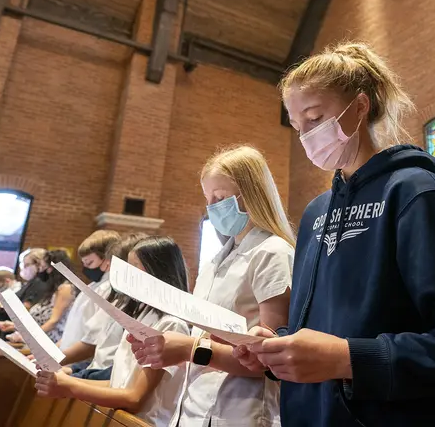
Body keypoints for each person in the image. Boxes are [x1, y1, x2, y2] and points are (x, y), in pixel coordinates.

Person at [237, 42, 435, 427]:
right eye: (297, 126)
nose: (306, 136)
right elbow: (318, 329)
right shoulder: (315, 214)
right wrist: (278, 346)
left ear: (360, 106)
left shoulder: (416, 194)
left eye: (315, 118)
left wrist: (348, 359)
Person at [130, 145, 295, 427]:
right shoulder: (215, 262)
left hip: (240, 411)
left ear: (251, 193)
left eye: (219, 197)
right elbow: (204, 335)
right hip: (193, 407)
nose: (212, 208)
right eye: (208, 199)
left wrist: (189, 348)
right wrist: (164, 345)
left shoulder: (272, 252)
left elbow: (269, 358)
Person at [36, 236, 190, 425]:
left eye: (134, 267)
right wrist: (65, 380)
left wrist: (70, 385)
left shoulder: (171, 325)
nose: (127, 276)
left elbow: (135, 398)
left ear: (157, 271)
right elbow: (117, 383)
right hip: (116, 417)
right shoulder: (140, 315)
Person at [63, 232, 148, 380]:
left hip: (102, 381)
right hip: (92, 374)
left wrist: (79, 375)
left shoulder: (114, 293)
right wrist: (76, 370)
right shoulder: (119, 298)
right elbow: (101, 347)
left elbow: (117, 363)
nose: (108, 270)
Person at [59, 230, 121, 351]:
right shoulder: (92, 286)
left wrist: (61, 358)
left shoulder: (109, 289)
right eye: (83, 263)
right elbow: (73, 330)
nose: (85, 268)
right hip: (67, 354)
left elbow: (93, 339)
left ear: (108, 260)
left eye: (89, 262)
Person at [4, 249, 77, 343]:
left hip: (51, 342)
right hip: (39, 339)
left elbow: (53, 321)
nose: (40, 270)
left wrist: (28, 337)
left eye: (43, 267)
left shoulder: (65, 288)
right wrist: (16, 326)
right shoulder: (52, 290)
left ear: (52, 268)